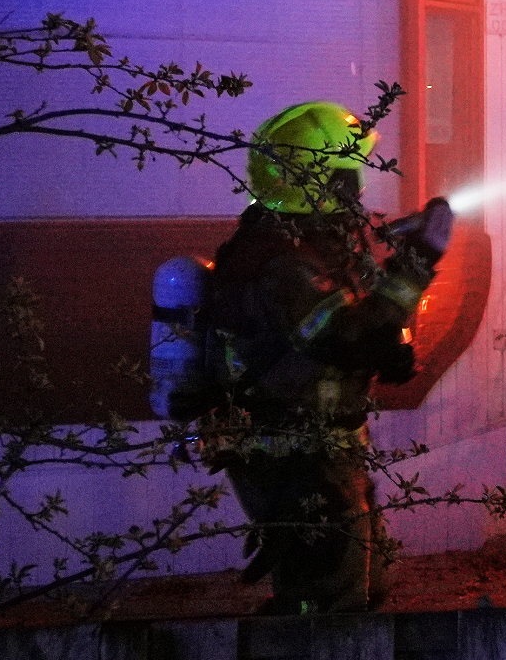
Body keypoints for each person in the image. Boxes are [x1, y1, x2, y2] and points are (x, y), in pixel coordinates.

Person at [186, 101, 453, 615]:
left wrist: (386, 350)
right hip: (296, 457)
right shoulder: (281, 262)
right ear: (319, 180)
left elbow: (351, 326)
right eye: (347, 174)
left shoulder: (303, 243)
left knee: (362, 587)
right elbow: (340, 336)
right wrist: (418, 262)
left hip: (321, 451)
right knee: (328, 603)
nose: (357, 187)